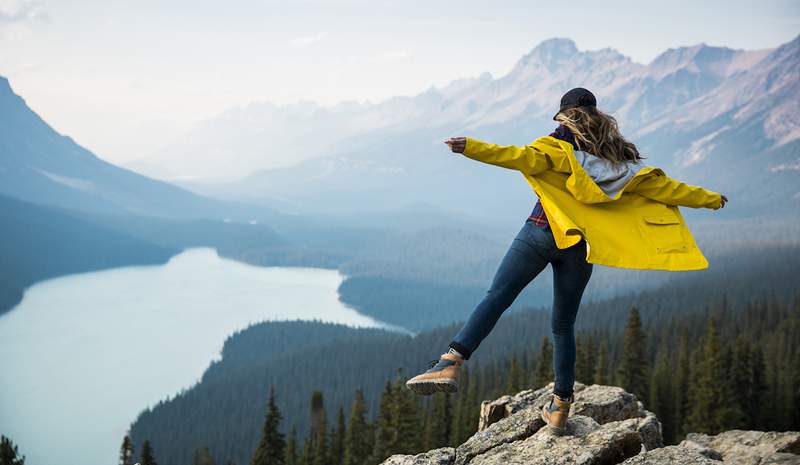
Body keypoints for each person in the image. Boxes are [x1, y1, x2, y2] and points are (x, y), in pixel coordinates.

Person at [404, 87, 728, 434]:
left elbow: (516, 156)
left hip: (542, 231)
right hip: (579, 246)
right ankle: (560, 407)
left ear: (564, 115)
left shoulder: (557, 148)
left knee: (497, 296)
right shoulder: (621, 161)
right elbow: (666, 189)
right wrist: (710, 199)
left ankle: (451, 362)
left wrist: (470, 147)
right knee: (563, 325)